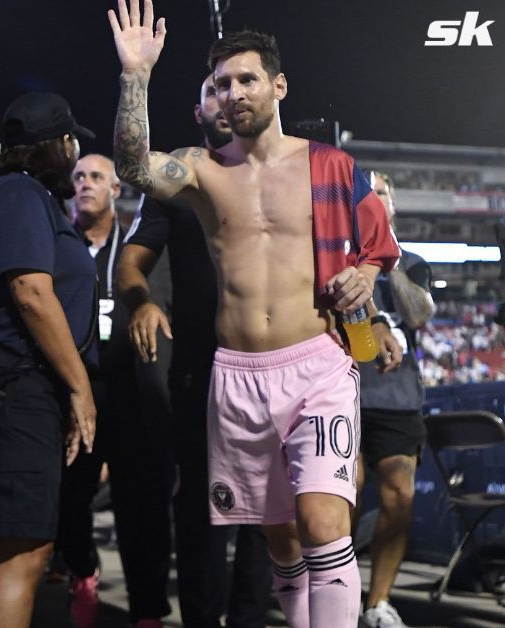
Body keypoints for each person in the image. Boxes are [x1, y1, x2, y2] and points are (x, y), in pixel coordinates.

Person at [108, 3, 401, 625]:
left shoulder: (332, 166)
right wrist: (136, 74)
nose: (233, 92)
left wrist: (368, 276)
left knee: (323, 522)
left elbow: (381, 245)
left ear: (277, 85)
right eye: (221, 84)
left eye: (245, 79)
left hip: (317, 365)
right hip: (237, 374)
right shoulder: (203, 171)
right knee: (280, 540)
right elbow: (133, 166)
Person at [117, 73, 273, 628]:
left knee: (267, 510)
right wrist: (140, 302)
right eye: (212, 89)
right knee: (205, 507)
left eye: (235, 86)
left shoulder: (280, 177)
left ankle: (251, 618)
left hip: (272, 368)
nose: (226, 98)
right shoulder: (180, 183)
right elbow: (131, 261)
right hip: (201, 372)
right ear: (197, 108)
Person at [0, 91, 97, 628]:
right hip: (12, 383)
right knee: (25, 551)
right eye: (72, 141)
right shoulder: (18, 193)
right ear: (60, 143)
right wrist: (80, 388)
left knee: (10, 552)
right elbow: (32, 292)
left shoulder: (27, 195)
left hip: (18, 384)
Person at [63, 152, 177, 628]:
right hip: (72, 390)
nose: (85, 183)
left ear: (115, 189)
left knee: (143, 507)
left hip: (128, 392)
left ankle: (148, 609)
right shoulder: (56, 240)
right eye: (78, 176)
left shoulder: (135, 246)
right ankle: (83, 572)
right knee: (68, 498)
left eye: (96, 177)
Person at [355, 171, 433, 628]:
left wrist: (389, 256)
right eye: (363, 191)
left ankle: (377, 604)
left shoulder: (413, 260)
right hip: (342, 386)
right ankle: (333, 593)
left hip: (398, 396)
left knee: (400, 495)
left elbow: (419, 313)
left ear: (393, 204)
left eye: (380, 191)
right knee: (342, 498)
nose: (372, 197)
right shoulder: (337, 252)